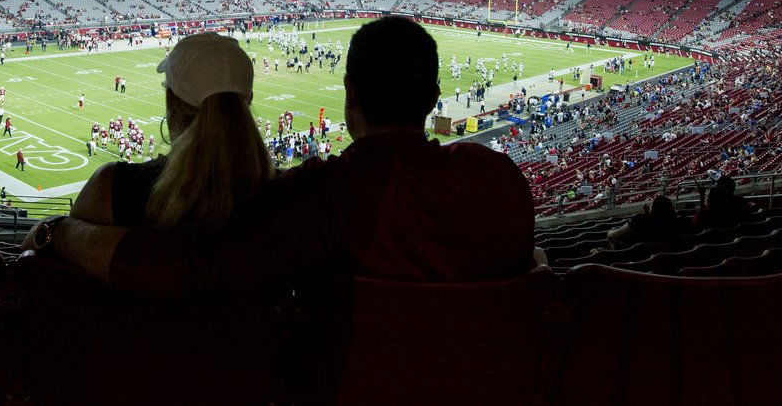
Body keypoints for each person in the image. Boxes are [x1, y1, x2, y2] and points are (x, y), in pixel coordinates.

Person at [27, 16, 534, 294]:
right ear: (433, 97)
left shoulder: (321, 197)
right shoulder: (501, 183)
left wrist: (60, 232)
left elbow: (178, 270)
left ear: (349, 93)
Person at [53, 31, 272, 233]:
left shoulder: (114, 186)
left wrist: (56, 232)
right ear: (248, 99)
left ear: (171, 103)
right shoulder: (283, 192)